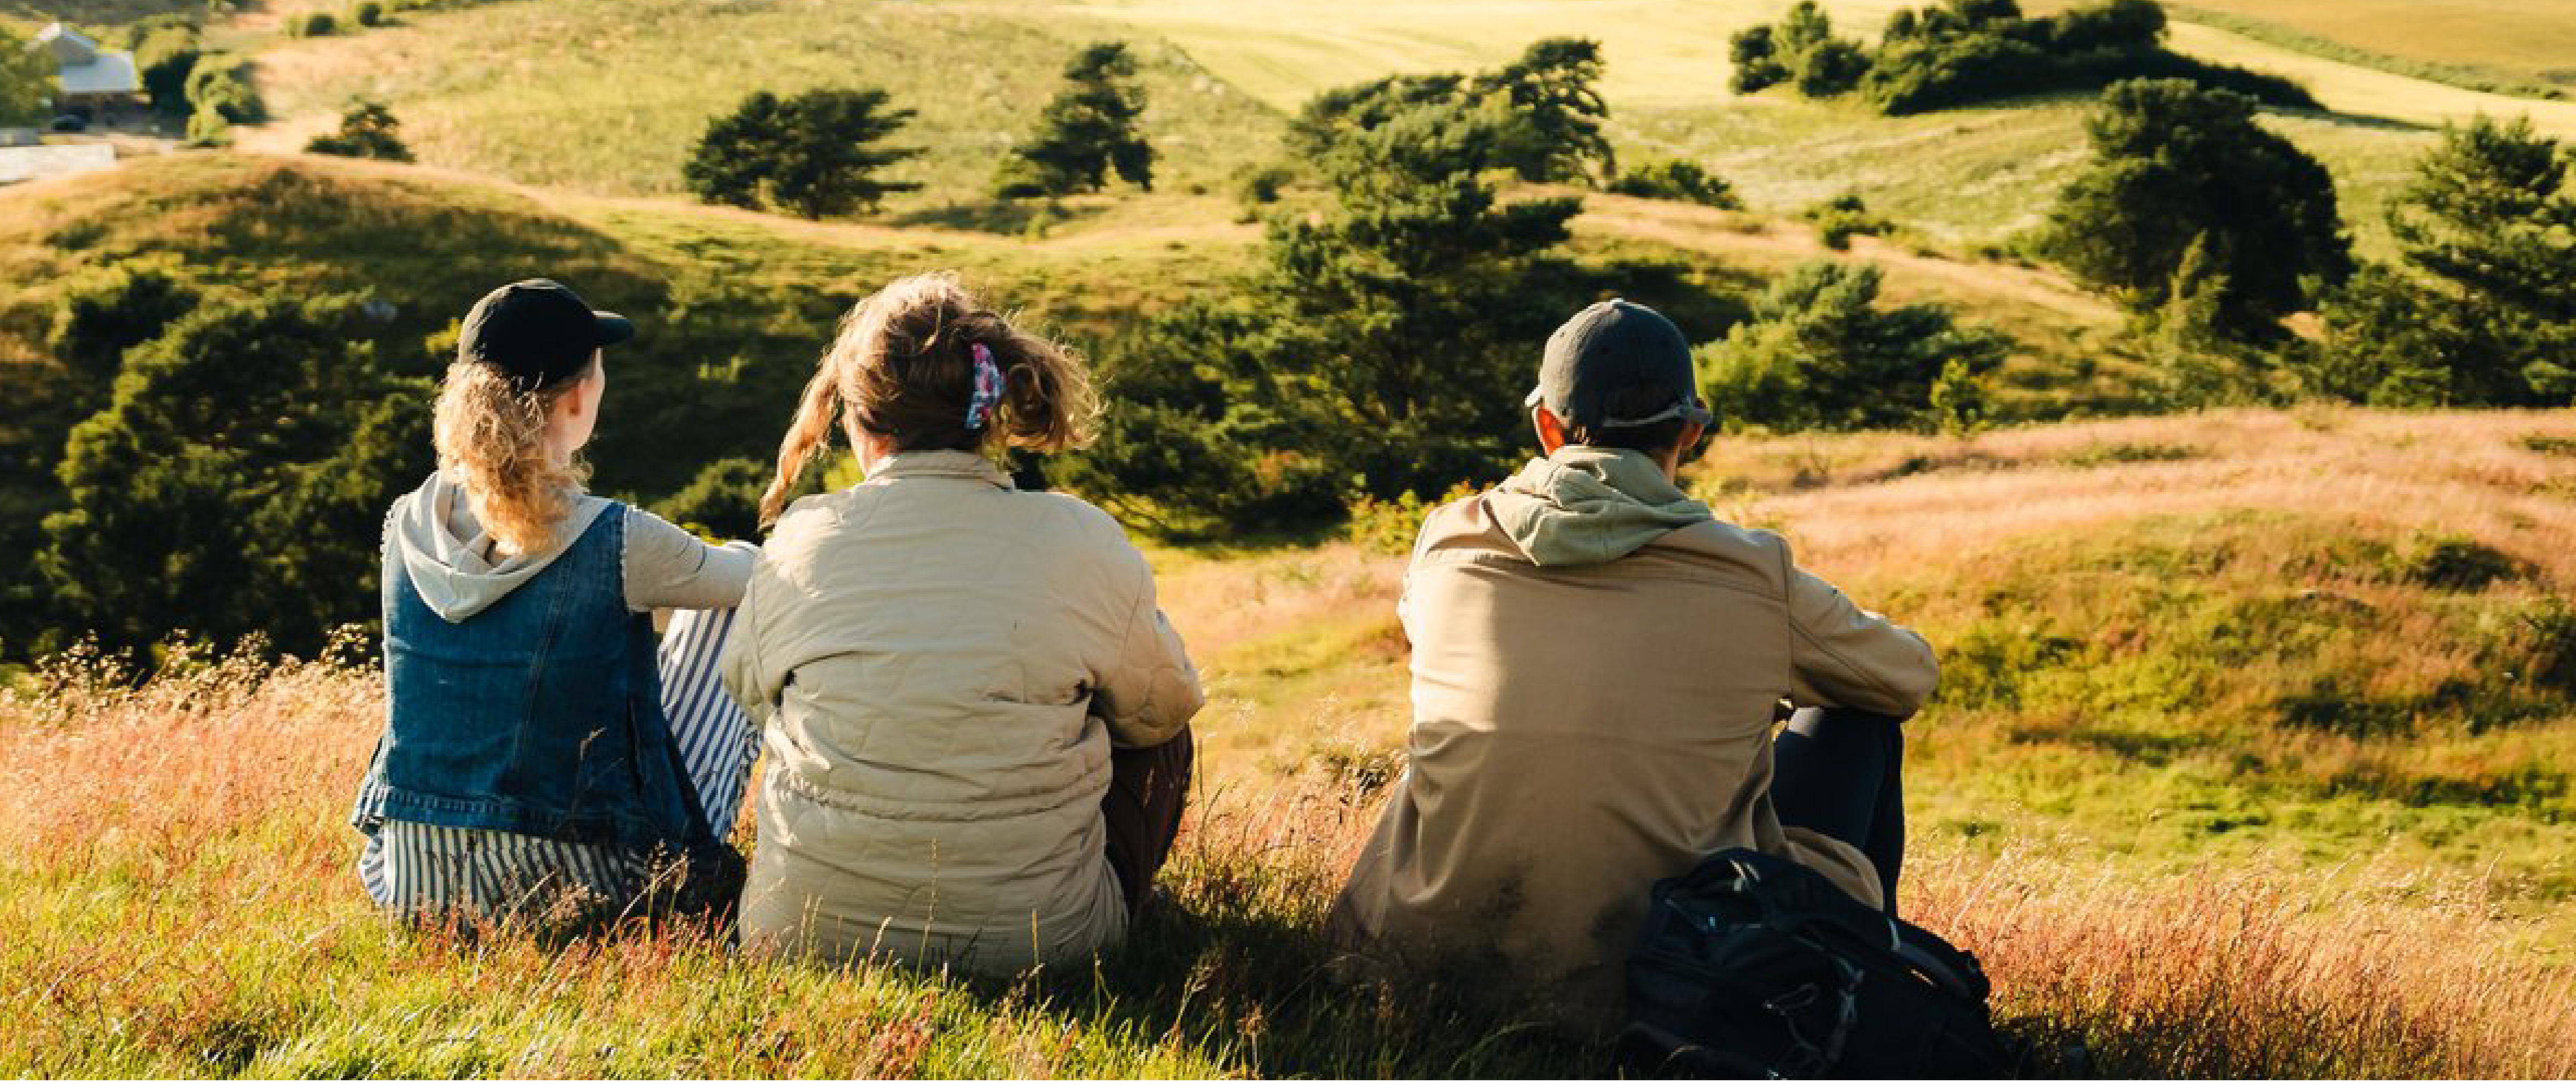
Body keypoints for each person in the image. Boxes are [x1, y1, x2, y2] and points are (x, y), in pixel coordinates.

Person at [1327, 298, 1939, 1035]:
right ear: (1690, 431)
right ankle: (1850, 1008)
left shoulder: (1450, 541)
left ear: (1546, 426)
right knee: (1855, 721)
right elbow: (1906, 677)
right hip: (1674, 981)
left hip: (1420, 963)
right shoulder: (1751, 572)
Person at [722, 272, 1204, 975]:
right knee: (1158, 725)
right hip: (1046, 947)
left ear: (856, 421)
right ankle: (1087, 901)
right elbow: (1165, 710)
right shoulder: (1078, 535)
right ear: (993, 409)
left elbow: (749, 692)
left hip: (798, 938)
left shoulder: (802, 536)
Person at [352, 278, 763, 931]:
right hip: (578, 886)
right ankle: (725, 864)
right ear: (578, 396)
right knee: (730, 608)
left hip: (411, 879)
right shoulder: (618, 536)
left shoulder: (402, 526)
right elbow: (752, 578)